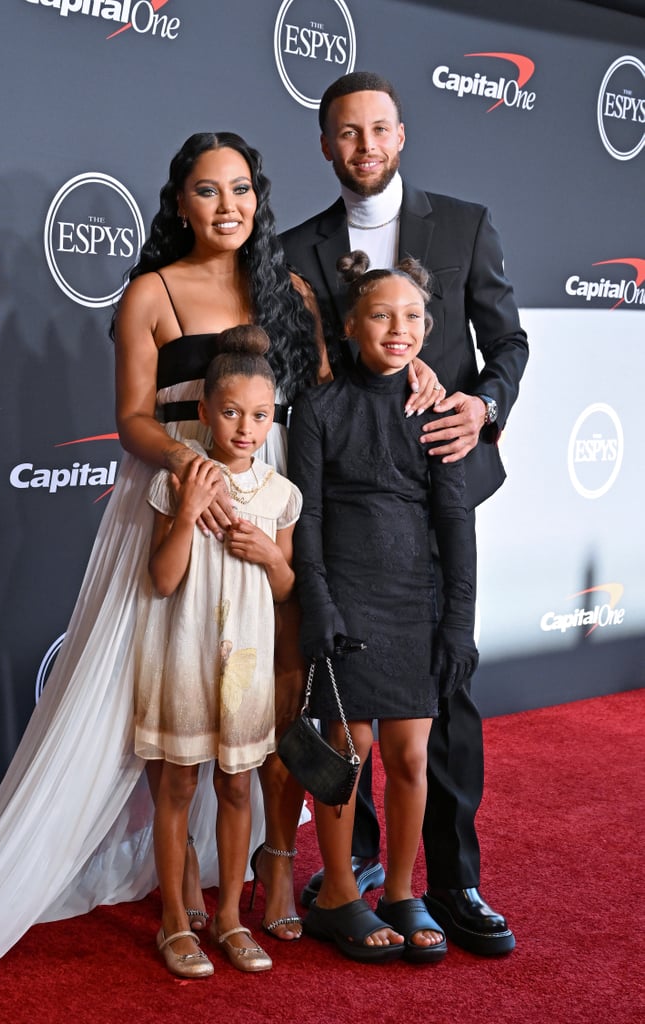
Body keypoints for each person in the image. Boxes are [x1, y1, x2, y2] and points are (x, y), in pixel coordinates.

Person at [0, 131, 326, 1015]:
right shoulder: (151, 293)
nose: (226, 206)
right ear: (180, 201)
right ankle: (176, 916)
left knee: (245, 714)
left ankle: (232, 901)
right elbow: (128, 419)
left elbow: (318, 398)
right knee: (159, 706)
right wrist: (195, 473)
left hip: (258, 511)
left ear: (257, 197)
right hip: (169, 499)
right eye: (206, 190)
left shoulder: (289, 292)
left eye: (240, 189)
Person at [281, 71, 529, 956]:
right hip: (346, 487)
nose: (364, 146)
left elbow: (506, 340)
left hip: (440, 470)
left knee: (439, 686)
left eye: (378, 129)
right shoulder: (297, 246)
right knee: (351, 702)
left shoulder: (460, 223)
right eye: (346, 133)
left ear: (400, 134)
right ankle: (365, 876)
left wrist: (482, 404)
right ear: (325, 144)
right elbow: (288, 368)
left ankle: (453, 876)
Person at [289, 252, 478, 964]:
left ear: (426, 329)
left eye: (410, 318)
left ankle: (400, 891)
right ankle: (338, 893)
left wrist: (456, 623)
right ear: (350, 324)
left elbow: (456, 524)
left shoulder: (439, 408)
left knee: (407, 753)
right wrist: (318, 604)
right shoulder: (319, 408)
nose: (396, 329)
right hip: (344, 591)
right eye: (379, 314)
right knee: (349, 751)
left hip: (413, 599)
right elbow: (304, 521)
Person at [139, 325, 301, 977]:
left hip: (247, 664)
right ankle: (174, 921)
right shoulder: (175, 483)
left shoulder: (281, 496)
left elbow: (287, 587)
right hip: (182, 654)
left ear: (272, 420)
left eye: (259, 415)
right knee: (177, 784)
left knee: (238, 787)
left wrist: (268, 554)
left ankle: (230, 916)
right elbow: (162, 579)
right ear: (203, 411)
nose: (244, 428)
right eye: (230, 412)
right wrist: (188, 513)